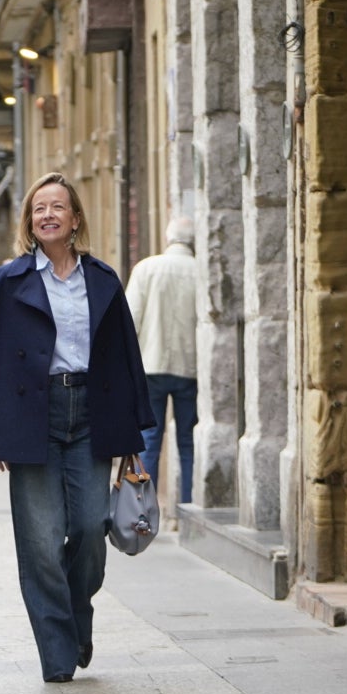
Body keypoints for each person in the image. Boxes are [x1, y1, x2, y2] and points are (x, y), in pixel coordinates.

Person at [0, 173, 153, 682]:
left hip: (93, 411)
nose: (47, 215)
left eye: (57, 207)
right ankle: (58, 651)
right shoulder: (9, 280)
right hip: (31, 418)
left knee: (91, 528)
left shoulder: (103, 279)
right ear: (30, 220)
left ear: (75, 218)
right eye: (38, 208)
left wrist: (134, 432)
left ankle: (75, 614)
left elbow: (125, 357)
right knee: (41, 541)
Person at [126, 215, 200, 508]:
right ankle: (189, 507)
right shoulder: (200, 271)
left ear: (168, 238)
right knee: (188, 440)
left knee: (149, 438)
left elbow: (129, 320)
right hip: (189, 367)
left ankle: (145, 508)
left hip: (150, 366)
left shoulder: (146, 268)